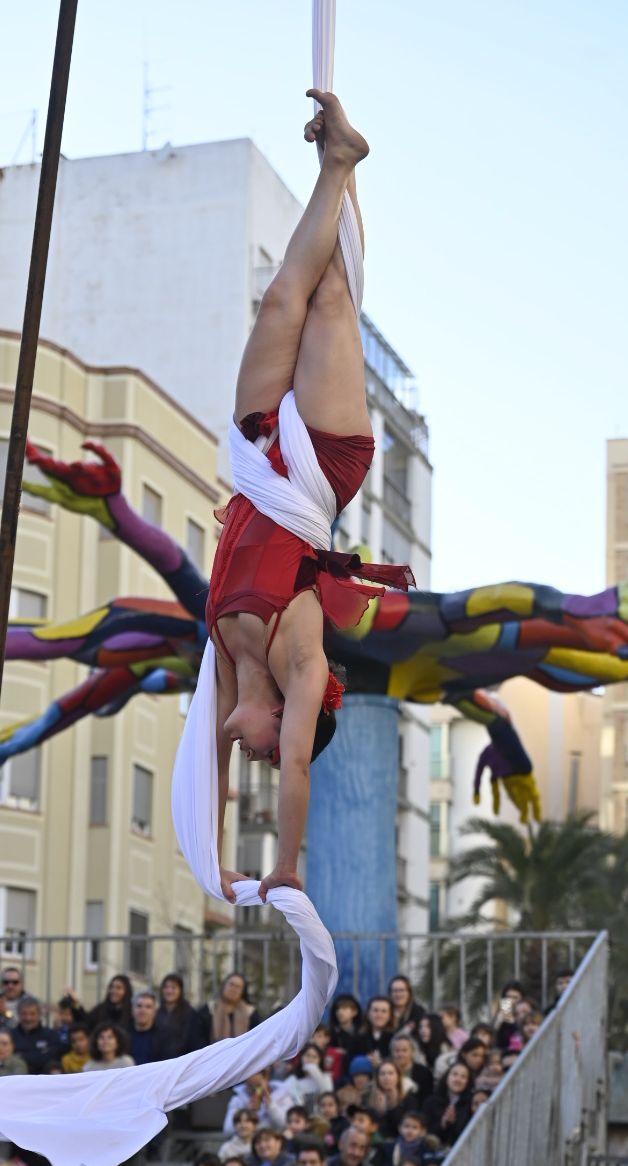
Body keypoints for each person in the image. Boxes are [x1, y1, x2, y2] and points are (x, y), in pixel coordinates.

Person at [206, 90, 411, 908]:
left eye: (248, 755)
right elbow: (296, 768)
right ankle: (344, 164)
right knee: (331, 301)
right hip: (321, 464)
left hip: (256, 453)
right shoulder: (298, 661)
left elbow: (209, 782)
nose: (251, 757)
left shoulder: (225, 660)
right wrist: (283, 867)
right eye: (261, 752)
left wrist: (218, 863)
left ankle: (335, 163)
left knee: (281, 298)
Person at [152, 972, 206, 1060]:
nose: (169, 991)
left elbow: (195, 1042)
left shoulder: (190, 1013)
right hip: (159, 1063)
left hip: (181, 1061)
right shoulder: (156, 1012)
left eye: (173, 987)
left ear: (180, 990)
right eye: (166, 987)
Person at [12, 997, 65, 1069]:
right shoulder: (9, 1036)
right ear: (18, 1015)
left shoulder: (51, 1035)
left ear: (39, 1015)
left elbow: (53, 1058)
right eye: (24, 1014)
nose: (28, 1018)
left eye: (32, 1014)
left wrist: (22, 1056)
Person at [208, 973, 258, 1043]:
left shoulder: (251, 1013)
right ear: (224, 986)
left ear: (242, 992)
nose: (233, 989)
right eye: (231, 984)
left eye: (238, 987)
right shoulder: (209, 1010)